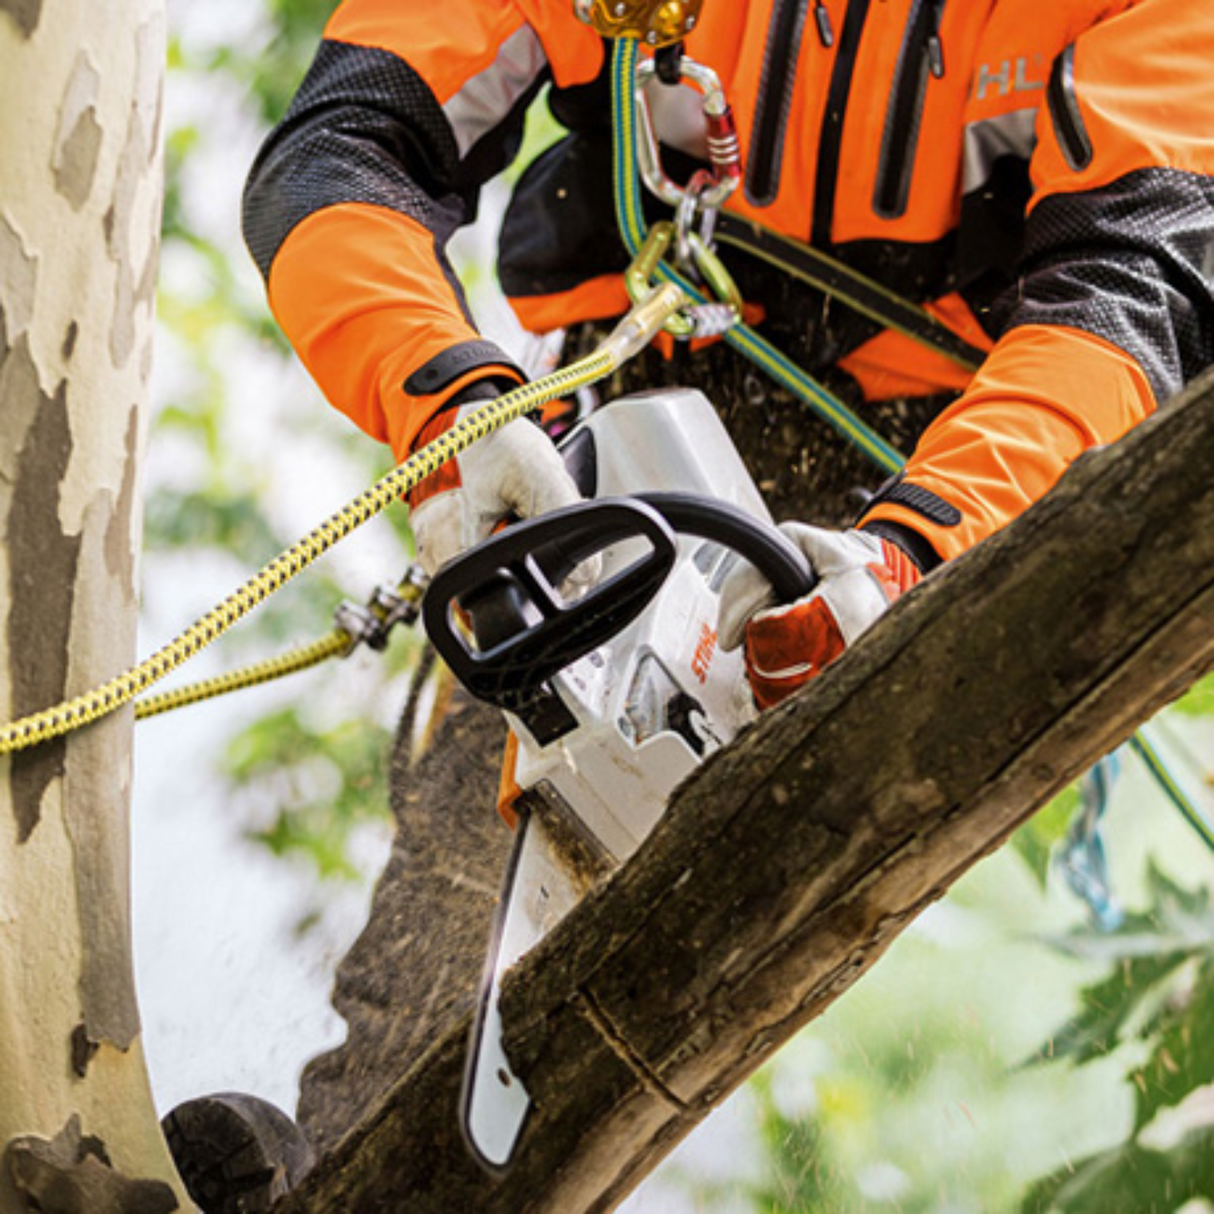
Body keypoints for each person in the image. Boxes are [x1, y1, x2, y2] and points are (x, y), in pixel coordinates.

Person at [243, 0, 1214, 710]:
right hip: (616, 392)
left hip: (936, 455)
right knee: (500, 766)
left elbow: (1129, 302)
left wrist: (919, 551)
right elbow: (338, 150)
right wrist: (452, 405)